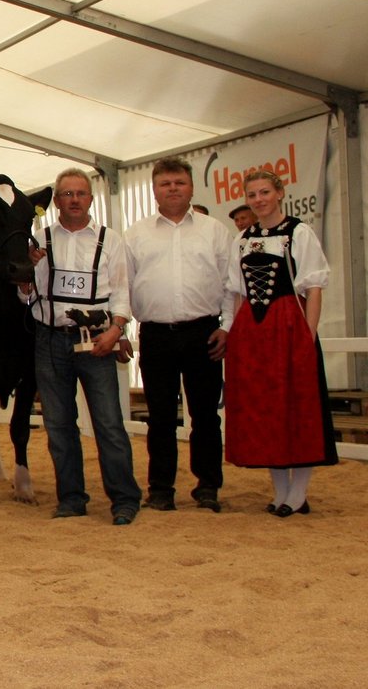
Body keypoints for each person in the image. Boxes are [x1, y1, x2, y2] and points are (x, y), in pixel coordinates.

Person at [23, 168, 142, 525]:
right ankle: (72, 498)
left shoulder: (111, 240)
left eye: (81, 193)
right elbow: (27, 295)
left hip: (97, 340)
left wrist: (116, 329)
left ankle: (124, 499)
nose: (74, 200)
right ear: (56, 201)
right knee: (59, 425)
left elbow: (122, 291)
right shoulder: (39, 240)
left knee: (108, 423)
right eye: (67, 194)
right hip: (50, 339)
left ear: (91, 199)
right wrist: (25, 278)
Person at [124, 158, 235, 512]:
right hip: (155, 335)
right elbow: (123, 286)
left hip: (204, 332)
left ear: (191, 187)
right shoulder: (136, 234)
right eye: (165, 183)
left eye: (179, 182)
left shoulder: (214, 230)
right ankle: (160, 489)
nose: (172, 188)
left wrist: (227, 326)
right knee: (159, 415)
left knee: (205, 414)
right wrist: (121, 327)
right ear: (154, 189)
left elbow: (231, 285)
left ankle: (207, 486)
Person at [223, 170, 336, 517]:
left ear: (280, 192)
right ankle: (281, 491)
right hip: (254, 330)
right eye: (253, 194)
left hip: (289, 324)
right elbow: (238, 291)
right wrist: (236, 334)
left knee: (297, 405)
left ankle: (297, 492)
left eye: (265, 192)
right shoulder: (243, 237)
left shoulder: (298, 232)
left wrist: (308, 334)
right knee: (265, 407)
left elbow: (313, 288)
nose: (259, 200)